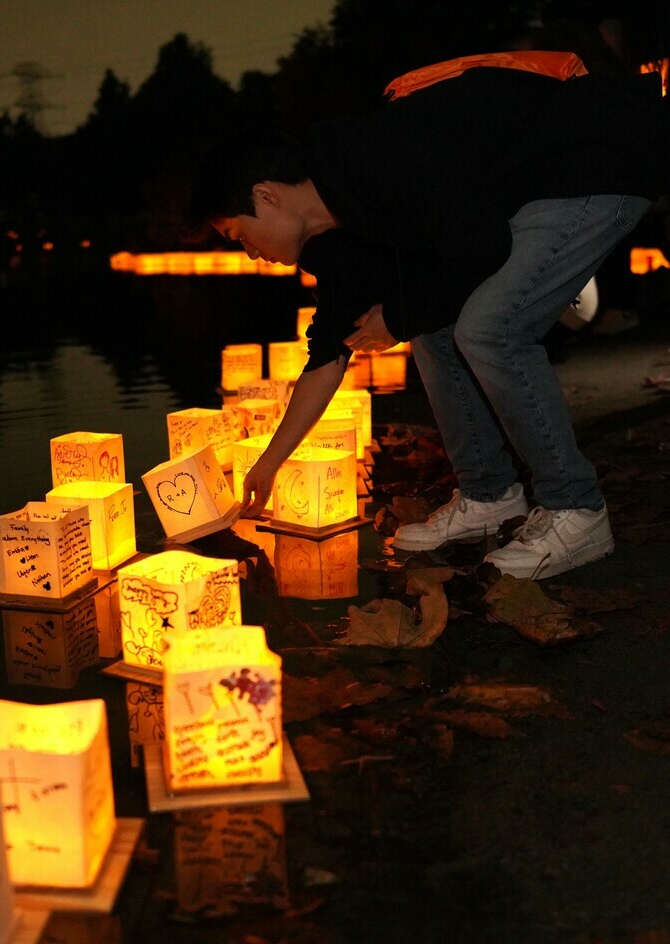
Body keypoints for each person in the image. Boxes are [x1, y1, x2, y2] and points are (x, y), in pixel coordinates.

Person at [186, 52, 669, 580]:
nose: (250, 253)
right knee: (433, 330)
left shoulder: (376, 156)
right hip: (529, 193)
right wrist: (269, 463)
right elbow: (328, 353)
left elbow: (483, 246)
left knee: (492, 329)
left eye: (239, 236)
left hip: (595, 157)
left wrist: (395, 320)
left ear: (265, 196)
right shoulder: (332, 242)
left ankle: (577, 511)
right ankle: (489, 496)